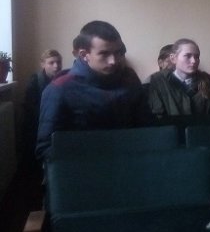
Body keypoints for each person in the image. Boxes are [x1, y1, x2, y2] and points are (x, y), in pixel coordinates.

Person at [36, 20, 152, 160]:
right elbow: (46, 147)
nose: (113, 61)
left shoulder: (129, 78)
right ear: (84, 55)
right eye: (104, 54)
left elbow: (148, 127)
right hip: (85, 167)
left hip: (132, 162)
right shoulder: (60, 88)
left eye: (118, 53)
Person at [147, 39, 210, 117]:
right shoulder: (158, 82)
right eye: (187, 56)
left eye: (197, 57)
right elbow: (157, 114)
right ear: (173, 58)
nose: (194, 61)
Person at [22, 49, 63, 167]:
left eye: (58, 62)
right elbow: (30, 107)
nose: (56, 66)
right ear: (43, 64)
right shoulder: (35, 81)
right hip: (36, 126)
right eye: (51, 62)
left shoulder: (63, 79)